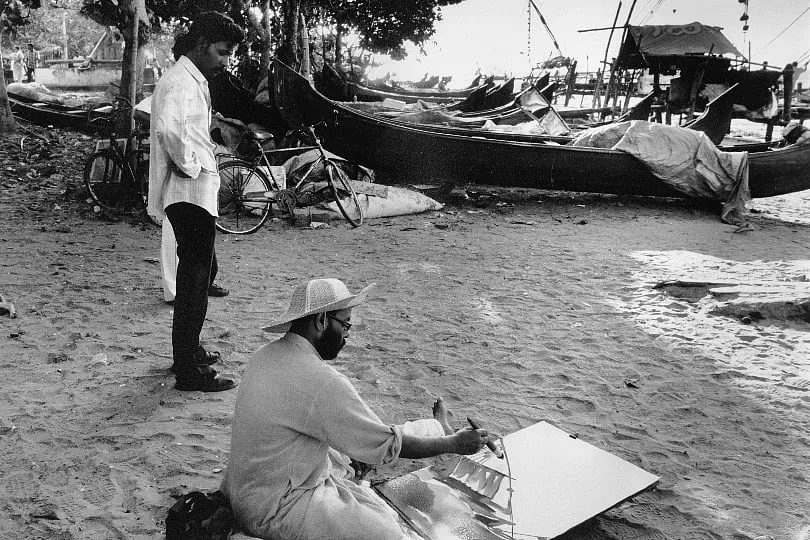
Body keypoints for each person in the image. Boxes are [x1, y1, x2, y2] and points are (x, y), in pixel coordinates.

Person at [221, 278, 497, 540]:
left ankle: (436, 428)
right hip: (273, 508)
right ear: (321, 321)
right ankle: (442, 432)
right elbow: (389, 446)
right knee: (384, 531)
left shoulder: (265, 355)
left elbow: (372, 434)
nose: (347, 336)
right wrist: (452, 445)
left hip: (247, 490)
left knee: (357, 442)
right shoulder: (322, 381)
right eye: (346, 324)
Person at [147, 12, 244, 392]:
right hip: (188, 190)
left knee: (197, 278)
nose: (225, 61)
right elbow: (170, 130)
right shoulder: (179, 81)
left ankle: (189, 352)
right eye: (222, 52)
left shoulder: (190, 79)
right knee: (193, 281)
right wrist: (194, 166)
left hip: (195, 190)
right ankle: (188, 370)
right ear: (201, 43)